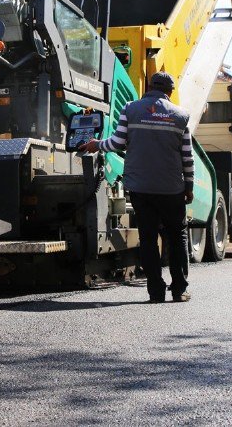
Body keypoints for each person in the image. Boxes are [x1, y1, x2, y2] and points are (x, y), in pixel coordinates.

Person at [82, 72, 194, 303]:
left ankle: (155, 291)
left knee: (148, 237)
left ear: (149, 86)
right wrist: (189, 186)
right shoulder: (181, 116)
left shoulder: (130, 109)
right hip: (172, 188)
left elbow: (117, 142)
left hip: (141, 187)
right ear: (170, 92)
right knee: (177, 237)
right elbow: (187, 157)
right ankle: (179, 289)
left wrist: (97, 145)